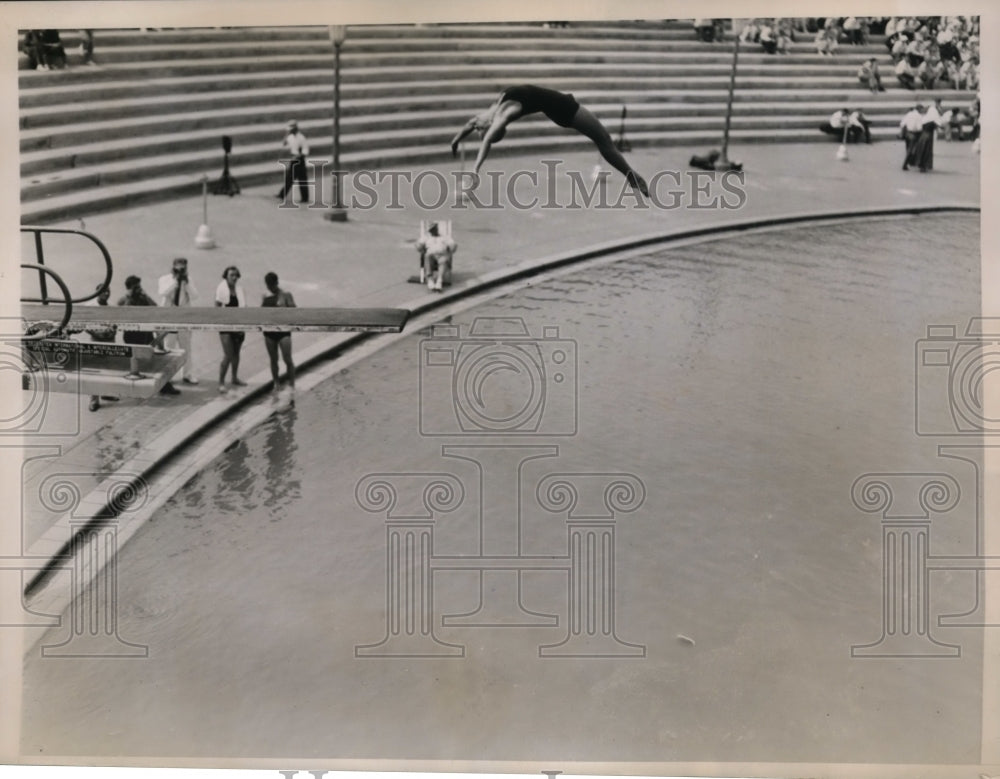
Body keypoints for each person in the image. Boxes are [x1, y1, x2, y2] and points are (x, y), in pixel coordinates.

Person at [450, 85, 649, 197]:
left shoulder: (488, 112)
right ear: (493, 128)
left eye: (479, 127)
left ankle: (631, 176)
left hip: (557, 106)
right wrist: (475, 169)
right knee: (603, 139)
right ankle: (632, 177)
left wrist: (456, 140)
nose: (478, 125)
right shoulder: (504, 114)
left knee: (602, 140)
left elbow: (470, 124)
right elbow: (485, 143)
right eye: (483, 129)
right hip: (563, 108)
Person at [117, 275, 179, 395]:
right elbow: (124, 316)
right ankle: (136, 389)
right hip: (132, 336)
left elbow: (155, 308)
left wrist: (145, 296)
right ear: (129, 288)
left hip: (146, 335)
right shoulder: (123, 300)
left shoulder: (143, 298)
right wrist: (130, 298)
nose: (138, 289)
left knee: (154, 361)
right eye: (135, 287)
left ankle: (164, 385)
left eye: (139, 287)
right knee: (135, 363)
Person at [157, 256, 199, 386]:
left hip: (183, 318)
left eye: (184, 268)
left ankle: (188, 374)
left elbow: (195, 296)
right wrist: (175, 281)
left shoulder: (188, 280)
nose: (181, 271)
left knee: (186, 346)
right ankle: (167, 376)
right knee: (169, 347)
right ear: (173, 267)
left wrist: (186, 283)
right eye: (179, 268)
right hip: (169, 318)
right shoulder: (165, 279)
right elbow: (162, 292)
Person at [82, 283, 119, 412]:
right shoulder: (90, 306)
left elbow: (116, 324)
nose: (106, 294)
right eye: (103, 291)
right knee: (95, 371)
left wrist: (112, 331)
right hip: (96, 342)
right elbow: (85, 326)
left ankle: (106, 393)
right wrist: (98, 334)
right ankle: (93, 400)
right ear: (97, 292)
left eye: (108, 291)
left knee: (108, 369)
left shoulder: (111, 307)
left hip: (109, 341)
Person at [261, 272, 296, 394]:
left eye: (272, 285)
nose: (270, 287)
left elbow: (294, 311)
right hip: (270, 332)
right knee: (273, 359)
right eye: (268, 285)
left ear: (276, 283)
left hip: (283, 331)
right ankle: (276, 382)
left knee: (287, 358)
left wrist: (286, 308)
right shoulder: (265, 295)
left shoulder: (286, 295)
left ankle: (291, 383)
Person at [215, 265, 247, 390]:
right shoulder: (221, 289)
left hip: (238, 325)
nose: (234, 278)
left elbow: (243, 307)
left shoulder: (239, 289)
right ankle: (221, 382)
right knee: (228, 354)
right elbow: (217, 308)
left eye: (235, 275)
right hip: (226, 326)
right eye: (231, 275)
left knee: (237, 353)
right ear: (226, 277)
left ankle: (234, 377)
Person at [276, 119, 310, 204]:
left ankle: (304, 197)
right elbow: (284, 143)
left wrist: (299, 156)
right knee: (291, 178)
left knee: (300, 179)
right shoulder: (290, 137)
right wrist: (287, 134)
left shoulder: (301, 138)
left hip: (299, 159)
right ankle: (282, 194)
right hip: (293, 159)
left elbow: (305, 151)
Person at [417, 222, 457, 293]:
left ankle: (439, 281)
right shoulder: (426, 237)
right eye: (431, 230)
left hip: (442, 255)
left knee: (443, 260)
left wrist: (452, 248)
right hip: (430, 255)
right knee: (427, 256)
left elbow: (453, 244)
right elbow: (418, 244)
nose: (432, 231)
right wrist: (420, 247)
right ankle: (430, 279)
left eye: (434, 229)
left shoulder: (445, 237)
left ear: (437, 229)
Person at [899, 103, 925, 168]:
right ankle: (905, 164)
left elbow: (902, 123)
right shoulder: (919, 116)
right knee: (911, 149)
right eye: (922, 109)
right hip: (914, 134)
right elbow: (919, 128)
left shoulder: (909, 114)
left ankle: (910, 162)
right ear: (919, 109)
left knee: (908, 148)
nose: (923, 111)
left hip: (907, 133)